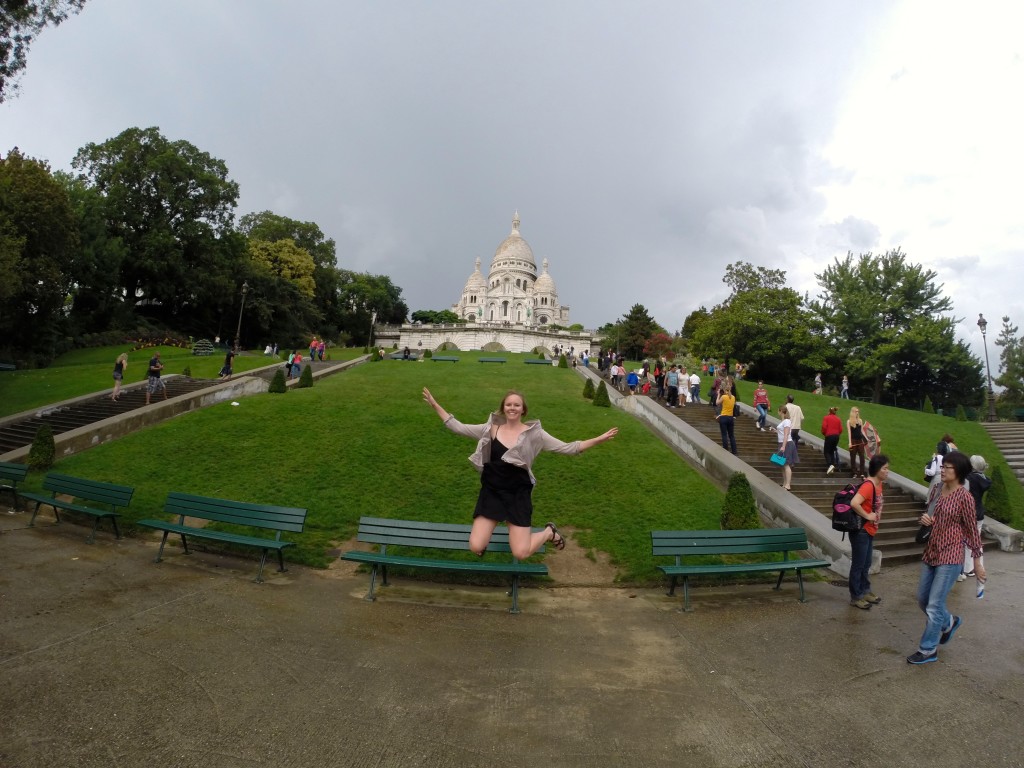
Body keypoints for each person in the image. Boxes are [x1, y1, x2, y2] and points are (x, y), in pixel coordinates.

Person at [421, 387, 618, 559]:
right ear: (503, 408)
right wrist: (435, 405)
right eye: (508, 405)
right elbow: (459, 427)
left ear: (523, 410)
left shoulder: (535, 434)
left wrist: (599, 439)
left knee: (521, 553)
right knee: (475, 546)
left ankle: (549, 532)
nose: (512, 408)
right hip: (492, 492)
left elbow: (568, 448)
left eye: (516, 405)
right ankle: (488, 537)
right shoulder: (491, 429)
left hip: (517, 495)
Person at [908, 451, 985, 664]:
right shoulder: (936, 489)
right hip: (931, 550)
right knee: (923, 599)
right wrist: (924, 519)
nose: (942, 470)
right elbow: (930, 514)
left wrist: (977, 562)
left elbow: (971, 530)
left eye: (947, 468)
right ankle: (948, 622)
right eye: (942, 467)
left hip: (951, 555)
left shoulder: (965, 498)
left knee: (934, 605)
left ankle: (928, 649)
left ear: (958, 471)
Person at [848, 454, 889, 610]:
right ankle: (855, 596)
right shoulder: (868, 485)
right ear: (877, 470)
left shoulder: (878, 485)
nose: (887, 472)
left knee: (866, 563)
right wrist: (867, 515)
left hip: (870, 530)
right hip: (861, 530)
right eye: (885, 468)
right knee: (859, 564)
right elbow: (854, 503)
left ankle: (865, 591)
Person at [960, 455, 991, 581]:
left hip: (969, 512)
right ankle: (977, 566)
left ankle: (967, 568)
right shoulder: (985, 479)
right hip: (979, 513)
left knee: (966, 542)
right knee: (976, 541)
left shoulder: (970, 478)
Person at [775, 405, 798, 490]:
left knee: (786, 464)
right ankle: (785, 483)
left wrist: (783, 446)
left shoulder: (787, 421)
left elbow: (786, 434)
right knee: (782, 464)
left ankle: (788, 484)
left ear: (781, 411)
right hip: (782, 443)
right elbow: (782, 433)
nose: (778, 412)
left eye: (778, 411)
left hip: (787, 443)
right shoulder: (783, 421)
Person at [715, 385, 737, 455]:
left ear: (724, 390)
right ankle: (734, 451)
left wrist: (718, 394)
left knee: (724, 434)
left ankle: (725, 449)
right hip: (731, 418)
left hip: (724, 417)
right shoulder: (733, 397)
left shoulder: (724, 397)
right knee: (731, 435)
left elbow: (717, 403)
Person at [821, 406, 842, 475]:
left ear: (829, 412)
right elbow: (840, 429)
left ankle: (830, 465)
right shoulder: (838, 419)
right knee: (832, 451)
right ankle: (832, 465)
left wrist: (824, 433)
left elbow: (824, 427)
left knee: (826, 451)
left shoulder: (826, 417)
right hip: (836, 436)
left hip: (829, 435)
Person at [847, 406, 867, 478]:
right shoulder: (849, 421)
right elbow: (849, 432)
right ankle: (854, 472)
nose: (857, 413)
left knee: (862, 456)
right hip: (853, 440)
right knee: (853, 456)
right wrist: (850, 442)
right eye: (856, 411)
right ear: (853, 412)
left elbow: (861, 431)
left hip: (860, 440)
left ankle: (861, 472)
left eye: (858, 411)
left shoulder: (860, 420)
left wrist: (865, 438)